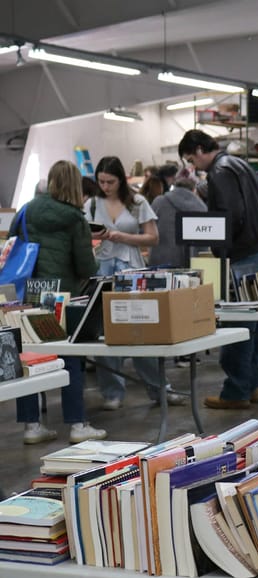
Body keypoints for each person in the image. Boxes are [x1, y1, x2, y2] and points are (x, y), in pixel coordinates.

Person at [179, 129, 258, 410]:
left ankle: (235, 391)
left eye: (190, 160)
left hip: (242, 253)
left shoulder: (220, 171)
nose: (192, 167)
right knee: (254, 324)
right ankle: (251, 384)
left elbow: (231, 214)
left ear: (198, 149)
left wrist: (220, 250)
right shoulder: (238, 162)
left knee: (237, 325)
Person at [16, 161, 105, 444]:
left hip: (29, 293)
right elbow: (85, 268)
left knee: (27, 358)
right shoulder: (75, 218)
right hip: (62, 296)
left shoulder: (26, 210)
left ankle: (32, 425)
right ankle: (77, 424)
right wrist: (96, 253)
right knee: (70, 358)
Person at [90, 156, 186, 410]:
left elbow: (153, 238)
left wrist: (123, 236)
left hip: (131, 270)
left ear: (120, 180)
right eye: (101, 181)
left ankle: (159, 388)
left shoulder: (137, 202)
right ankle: (112, 392)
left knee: (141, 331)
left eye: (110, 181)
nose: (105, 186)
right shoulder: (91, 204)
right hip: (102, 270)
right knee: (105, 333)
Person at [148, 178, 207, 268]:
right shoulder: (201, 207)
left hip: (160, 260)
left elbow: (149, 228)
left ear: (175, 187)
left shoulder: (159, 202)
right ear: (194, 189)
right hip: (190, 263)